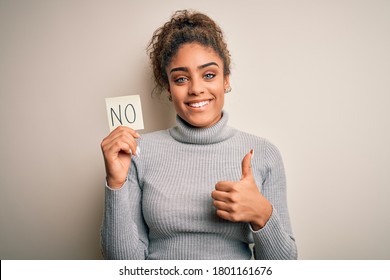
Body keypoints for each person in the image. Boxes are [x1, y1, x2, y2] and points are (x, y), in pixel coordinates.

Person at [100, 9, 297, 260]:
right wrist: (115, 183)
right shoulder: (137, 151)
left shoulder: (264, 153)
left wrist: (262, 215)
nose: (196, 89)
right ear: (168, 89)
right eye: (181, 79)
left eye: (209, 75)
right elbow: (122, 266)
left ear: (226, 80)